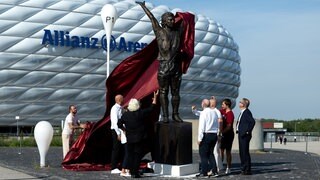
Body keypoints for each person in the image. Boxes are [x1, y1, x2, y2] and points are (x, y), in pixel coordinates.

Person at [136, 1, 184, 123]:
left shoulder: (178, 32)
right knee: (163, 91)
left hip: (175, 66)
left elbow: (185, 22)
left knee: (175, 92)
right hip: (164, 65)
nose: (172, 21)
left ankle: (175, 114)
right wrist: (143, 6)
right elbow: (152, 18)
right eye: (169, 19)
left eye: (173, 19)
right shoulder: (159, 31)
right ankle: (165, 115)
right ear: (164, 21)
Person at [118, 91, 159, 178]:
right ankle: (134, 172)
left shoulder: (126, 115)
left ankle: (131, 170)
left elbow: (119, 124)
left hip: (129, 138)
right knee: (137, 155)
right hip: (139, 138)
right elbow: (151, 108)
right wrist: (154, 99)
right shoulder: (140, 113)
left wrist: (124, 130)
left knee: (131, 155)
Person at [195, 99, 221, 177]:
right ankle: (214, 171)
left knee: (203, 155)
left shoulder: (204, 113)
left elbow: (201, 127)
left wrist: (200, 139)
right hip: (214, 135)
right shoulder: (214, 112)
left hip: (206, 135)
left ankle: (204, 172)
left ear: (203, 104)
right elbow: (217, 125)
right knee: (210, 154)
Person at [236, 98, 255, 175]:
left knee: (244, 152)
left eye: (240, 102)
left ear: (243, 104)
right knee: (242, 152)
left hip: (244, 135)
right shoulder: (242, 112)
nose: (239, 103)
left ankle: (247, 169)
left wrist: (247, 131)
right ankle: (243, 168)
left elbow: (252, 122)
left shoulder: (247, 112)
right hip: (241, 134)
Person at [219, 98, 235, 175]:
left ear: (227, 105)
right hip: (223, 134)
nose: (222, 106)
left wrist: (222, 132)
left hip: (228, 135)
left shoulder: (230, 114)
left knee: (228, 151)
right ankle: (220, 165)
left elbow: (229, 126)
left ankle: (228, 167)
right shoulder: (222, 111)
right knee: (221, 150)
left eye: (223, 104)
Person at [110, 94, 124, 174]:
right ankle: (114, 167)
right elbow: (115, 122)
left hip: (119, 130)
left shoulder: (120, 108)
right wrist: (118, 133)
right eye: (122, 98)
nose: (124, 99)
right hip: (116, 131)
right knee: (116, 148)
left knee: (120, 148)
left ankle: (120, 164)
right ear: (119, 100)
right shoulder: (114, 109)